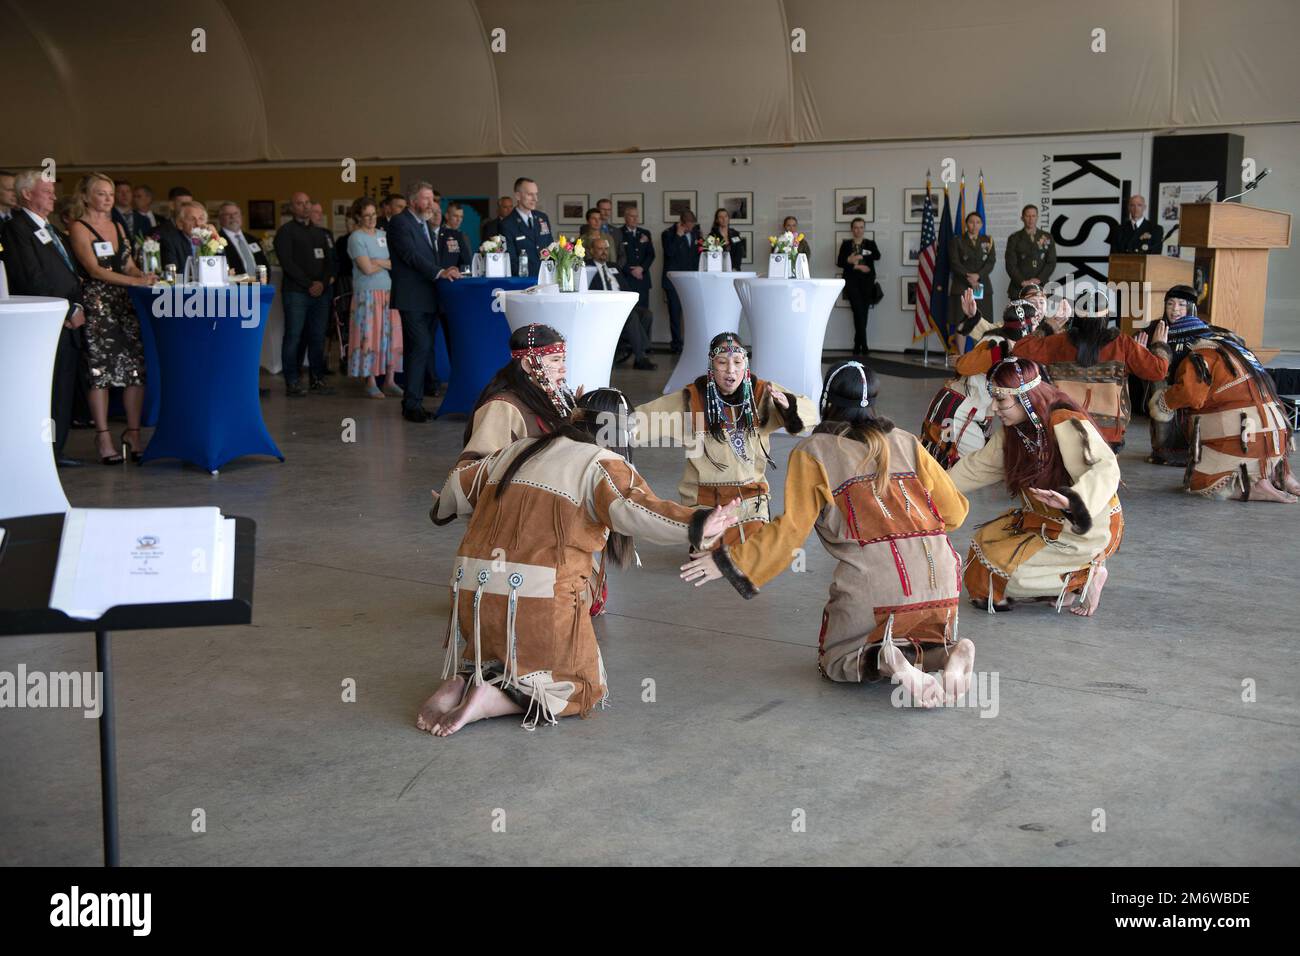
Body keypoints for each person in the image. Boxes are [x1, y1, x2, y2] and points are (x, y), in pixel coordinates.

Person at [419, 387, 739, 736]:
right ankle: (488, 701)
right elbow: (638, 510)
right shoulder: (602, 465)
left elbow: (457, 486)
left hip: (471, 592)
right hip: (536, 599)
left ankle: (465, 677)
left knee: (499, 651)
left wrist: (441, 507)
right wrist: (697, 522)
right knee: (581, 687)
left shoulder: (518, 449)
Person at [681, 362, 975, 707]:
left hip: (874, 584)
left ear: (827, 399)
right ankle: (950, 651)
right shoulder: (906, 441)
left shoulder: (813, 452)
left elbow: (790, 532)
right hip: (939, 576)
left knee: (836, 662)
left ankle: (885, 659)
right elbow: (954, 513)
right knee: (921, 635)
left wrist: (728, 561)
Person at [947, 358, 1123, 617]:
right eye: (993, 399)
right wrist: (928, 489)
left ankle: (1084, 576)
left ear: (1026, 398)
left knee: (1010, 576)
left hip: (1086, 523)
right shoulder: (1014, 431)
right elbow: (977, 467)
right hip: (1042, 518)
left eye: (1001, 401)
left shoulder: (1063, 421)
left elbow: (1105, 468)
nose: (994, 408)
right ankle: (1060, 584)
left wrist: (1072, 501)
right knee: (981, 556)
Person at [634, 331, 816, 546]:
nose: (731, 370)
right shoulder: (691, 401)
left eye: (737, 362)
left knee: (751, 557)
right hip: (705, 503)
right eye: (722, 362)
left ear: (745, 365)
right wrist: (589, 415)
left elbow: (810, 413)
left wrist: (788, 406)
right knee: (710, 557)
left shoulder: (761, 394)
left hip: (750, 501)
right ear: (712, 365)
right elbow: (639, 420)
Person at [1150, 309, 1297, 502]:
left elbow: (1190, 394)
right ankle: (1280, 476)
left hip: (1245, 438)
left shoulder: (1200, 356)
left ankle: (1253, 487)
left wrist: (1162, 401)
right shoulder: (1237, 351)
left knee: (1198, 481)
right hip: (1277, 438)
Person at [66, 172, 157, 464]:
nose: (108, 199)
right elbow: (94, 270)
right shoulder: (78, 227)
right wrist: (134, 282)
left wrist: (141, 276)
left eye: (111, 194)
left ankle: (133, 432)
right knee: (100, 374)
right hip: (98, 306)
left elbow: (127, 264)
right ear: (86, 196)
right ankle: (103, 436)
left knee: (135, 371)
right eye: (102, 193)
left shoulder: (118, 225)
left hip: (125, 305)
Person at [0, 170, 87, 466]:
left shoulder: (50, 229)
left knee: (63, 390)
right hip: (48, 321)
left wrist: (76, 304)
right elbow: (30, 278)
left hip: (66, 319)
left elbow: (67, 272)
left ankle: (56, 450)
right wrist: (67, 308)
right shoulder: (16, 229)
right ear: (26, 194)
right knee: (47, 391)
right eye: (46, 191)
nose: (53, 196)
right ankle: (44, 453)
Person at [1012, 308, 1170, 449]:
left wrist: (1047, 327)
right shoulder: (1122, 343)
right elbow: (1158, 371)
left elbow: (1020, 349)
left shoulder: (1058, 342)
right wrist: (1159, 346)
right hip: (1109, 432)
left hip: (1065, 426)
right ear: (1106, 318)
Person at [436, 323, 575, 480]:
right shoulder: (502, 407)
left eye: (563, 360)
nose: (563, 368)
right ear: (528, 364)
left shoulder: (544, 397)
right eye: (555, 360)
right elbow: (477, 464)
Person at [388, 181, 460, 421]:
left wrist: (443, 268)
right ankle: (412, 405)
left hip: (428, 298)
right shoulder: (400, 223)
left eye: (433, 199)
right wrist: (439, 272)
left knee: (420, 349)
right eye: (426, 199)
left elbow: (430, 256)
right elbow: (410, 255)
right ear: (413, 201)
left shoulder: (424, 225)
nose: (431, 204)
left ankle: (413, 402)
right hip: (411, 297)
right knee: (419, 348)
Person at [919, 290, 1015, 468]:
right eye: (1031, 301)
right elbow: (971, 360)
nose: (1038, 308)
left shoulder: (1043, 340)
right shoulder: (1002, 338)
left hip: (977, 409)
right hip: (960, 406)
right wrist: (967, 359)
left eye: (1041, 302)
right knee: (948, 462)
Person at [273, 191, 337, 397]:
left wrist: (322, 283)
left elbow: (331, 262)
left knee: (318, 336)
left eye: (307, 202)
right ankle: (292, 381)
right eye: (299, 203)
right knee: (294, 336)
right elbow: (287, 263)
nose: (305, 206)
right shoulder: (285, 232)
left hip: (321, 293)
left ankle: (317, 379)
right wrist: (309, 283)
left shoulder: (322, 233)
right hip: (296, 292)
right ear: (292, 208)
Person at [345, 197, 403, 399]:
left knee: (390, 336)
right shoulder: (356, 238)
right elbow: (366, 269)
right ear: (358, 217)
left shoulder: (384, 235)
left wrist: (377, 260)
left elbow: (397, 262)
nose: (371, 218)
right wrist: (383, 262)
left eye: (373, 214)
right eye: (366, 215)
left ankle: (390, 380)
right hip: (367, 295)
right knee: (369, 337)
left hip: (388, 292)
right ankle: (370, 380)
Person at [1144, 285, 1199, 466]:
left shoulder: (1200, 329)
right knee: (1159, 391)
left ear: (1191, 307)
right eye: (1170, 304)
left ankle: (1192, 449)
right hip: (1164, 383)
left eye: (1182, 305)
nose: (1175, 309)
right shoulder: (1155, 328)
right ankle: (1163, 450)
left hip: (1189, 384)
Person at [589, 236, 655, 369]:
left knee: (646, 314)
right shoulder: (587, 267)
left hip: (621, 305)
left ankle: (632, 344)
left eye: (606, 249)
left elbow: (626, 288)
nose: (604, 252)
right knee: (632, 317)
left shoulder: (614, 266)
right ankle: (640, 357)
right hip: (603, 307)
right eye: (600, 249)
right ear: (591, 251)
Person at [836, 217, 881, 355]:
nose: (858, 230)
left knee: (864, 312)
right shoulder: (846, 244)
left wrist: (862, 262)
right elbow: (840, 262)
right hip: (851, 281)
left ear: (864, 228)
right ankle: (864, 345)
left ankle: (857, 344)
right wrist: (849, 260)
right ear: (852, 229)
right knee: (858, 311)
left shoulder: (870, 243)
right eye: (856, 227)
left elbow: (877, 256)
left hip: (867, 281)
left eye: (861, 227)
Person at [614, 205, 654, 350]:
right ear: (625, 217)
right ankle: (629, 344)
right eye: (631, 216)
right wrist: (630, 270)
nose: (635, 219)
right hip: (627, 279)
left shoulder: (645, 233)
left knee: (646, 314)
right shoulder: (619, 233)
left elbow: (651, 254)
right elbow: (618, 257)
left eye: (636, 216)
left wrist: (641, 268)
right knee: (630, 314)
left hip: (642, 279)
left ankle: (644, 346)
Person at [948, 212, 996, 331]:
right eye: (971, 222)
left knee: (983, 323)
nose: (974, 225)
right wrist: (969, 277)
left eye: (978, 222)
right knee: (961, 322)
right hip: (961, 285)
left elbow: (991, 262)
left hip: (982, 285)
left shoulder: (988, 240)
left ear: (981, 225)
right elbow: (954, 262)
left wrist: (978, 276)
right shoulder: (957, 241)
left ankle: (981, 349)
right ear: (966, 224)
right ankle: (961, 351)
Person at [660, 209, 698, 354]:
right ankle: (676, 345)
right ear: (682, 222)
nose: (692, 227)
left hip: (690, 281)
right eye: (689, 225)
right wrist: (678, 236)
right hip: (673, 283)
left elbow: (695, 256)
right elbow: (669, 253)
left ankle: (691, 343)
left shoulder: (695, 234)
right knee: (675, 314)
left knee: (691, 313)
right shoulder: (668, 234)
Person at [501, 177, 552, 276]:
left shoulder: (542, 218)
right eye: (530, 194)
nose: (535, 199)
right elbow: (510, 260)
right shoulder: (507, 224)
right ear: (518, 196)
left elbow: (550, 247)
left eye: (536, 194)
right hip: (524, 282)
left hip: (546, 279)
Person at [1004, 205, 1056, 297]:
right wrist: (1023, 282)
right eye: (1027, 216)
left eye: (1033, 216)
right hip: (1019, 287)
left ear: (1037, 217)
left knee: (1041, 311)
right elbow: (1010, 264)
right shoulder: (1014, 238)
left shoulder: (1047, 237)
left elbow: (1051, 262)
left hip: (1041, 286)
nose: (1030, 219)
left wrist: (1039, 279)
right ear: (1022, 218)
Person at [217, 202, 268, 276]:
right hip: (234, 286)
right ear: (220, 219)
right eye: (227, 214)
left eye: (236, 213)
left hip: (259, 285)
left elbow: (263, 262)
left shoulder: (252, 239)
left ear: (241, 216)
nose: (233, 217)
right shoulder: (217, 241)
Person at [156, 187, 196, 270]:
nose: (188, 208)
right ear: (172, 206)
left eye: (190, 204)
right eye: (184, 204)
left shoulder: (198, 230)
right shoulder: (160, 231)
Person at [440, 202, 473, 270]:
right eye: (455, 216)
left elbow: (467, 259)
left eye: (461, 217)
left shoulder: (464, 236)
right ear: (447, 216)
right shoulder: (439, 234)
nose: (459, 220)